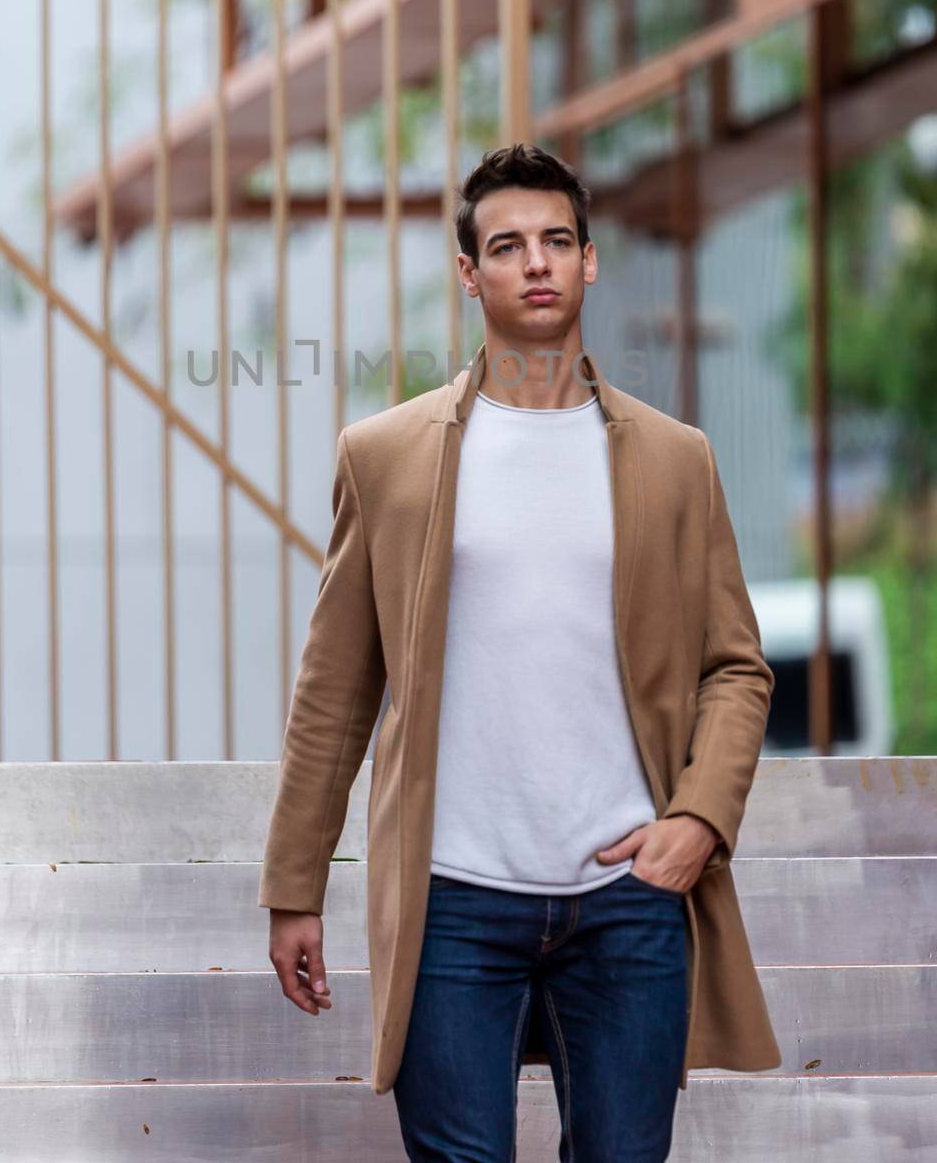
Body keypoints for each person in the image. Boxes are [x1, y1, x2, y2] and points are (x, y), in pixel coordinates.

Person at [259, 143, 781, 1161]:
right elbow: (333, 689)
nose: (534, 263)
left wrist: (696, 820)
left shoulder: (675, 459)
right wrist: (294, 886)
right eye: (506, 246)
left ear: (588, 260)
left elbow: (735, 665)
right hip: (451, 896)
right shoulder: (388, 455)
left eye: (555, 241)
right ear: (469, 273)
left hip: (629, 895)